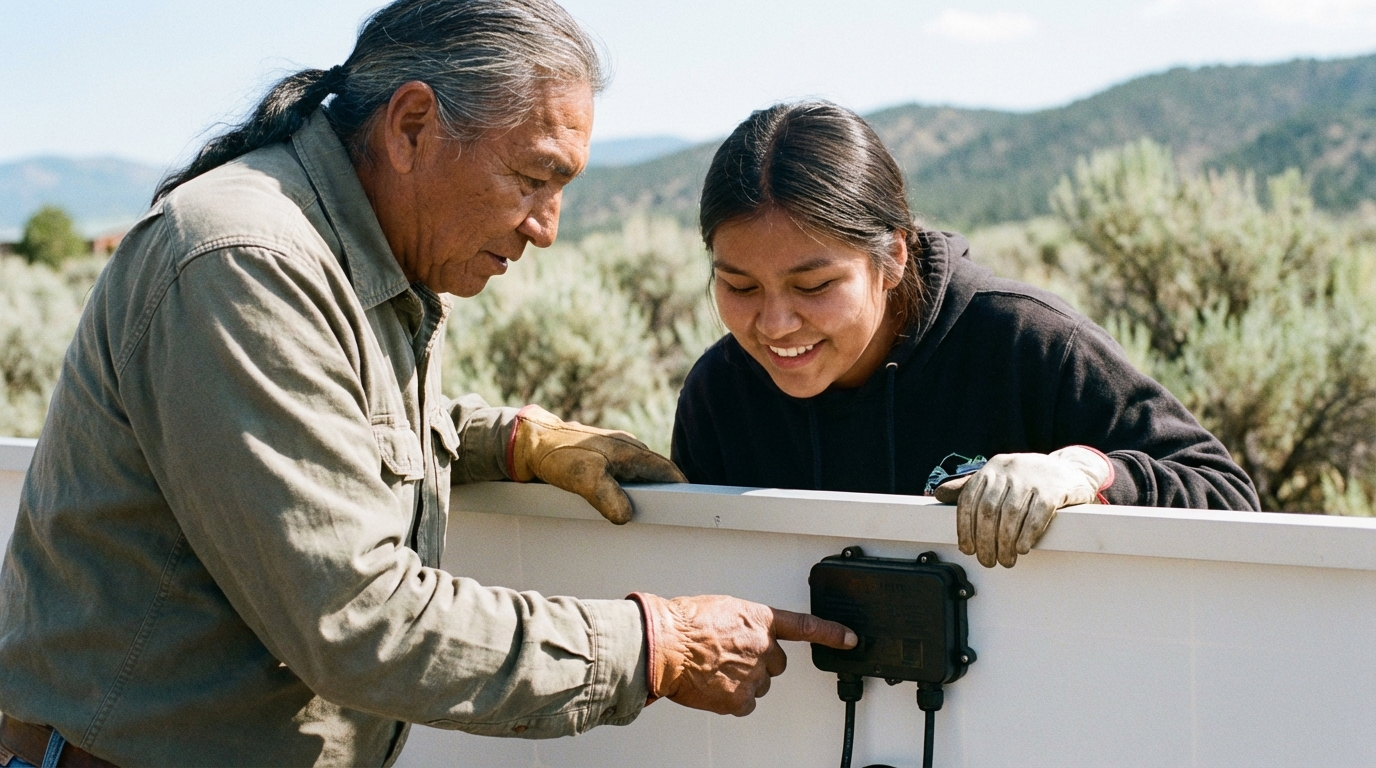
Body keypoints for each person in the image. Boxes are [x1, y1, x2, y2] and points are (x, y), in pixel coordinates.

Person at [0, 4, 855, 766]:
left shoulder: (351, 253)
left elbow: (321, 429)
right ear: (412, 126)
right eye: (533, 178)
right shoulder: (246, 262)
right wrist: (656, 644)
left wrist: (510, 442)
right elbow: (358, 620)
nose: (547, 228)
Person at [671, 101, 1260, 570]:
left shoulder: (1028, 342)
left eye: (814, 285)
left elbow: (1227, 495)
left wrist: (1085, 473)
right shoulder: (720, 392)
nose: (775, 324)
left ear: (893, 256)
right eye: (740, 286)